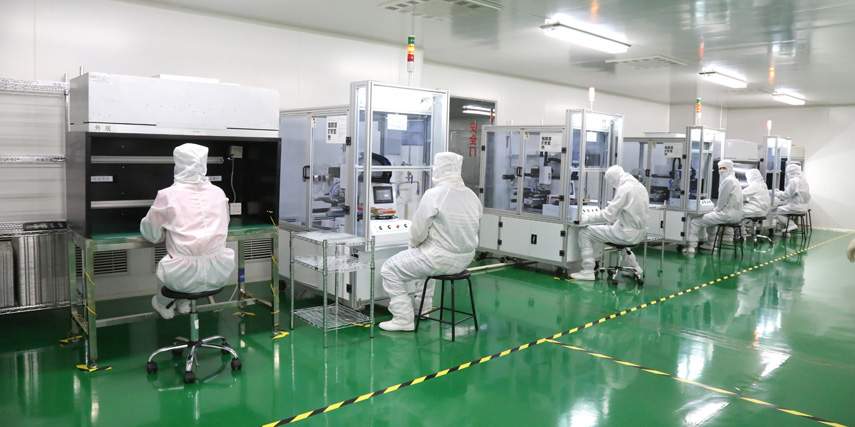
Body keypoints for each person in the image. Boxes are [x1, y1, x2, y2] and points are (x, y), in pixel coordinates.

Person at [379, 152, 482, 332]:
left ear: (438, 169)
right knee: (424, 261)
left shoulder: (435, 194)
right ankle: (423, 309)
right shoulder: (472, 196)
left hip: (439, 259)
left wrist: (415, 244)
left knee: (389, 269)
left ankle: (403, 319)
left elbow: (418, 231)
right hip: (464, 259)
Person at [141, 143, 236, 319]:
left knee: (173, 266)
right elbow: (225, 224)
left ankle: (164, 303)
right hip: (219, 272)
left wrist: (167, 232)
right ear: (204, 164)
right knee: (191, 265)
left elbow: (151, 235)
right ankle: (184, 303)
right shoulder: (218, 193)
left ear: (178, 164)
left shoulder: (168, 195)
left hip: (181, 276)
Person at [570, 165, 648, 281]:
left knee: (585, 232)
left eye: (611, 182)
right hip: (641, 233)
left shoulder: (624, 189)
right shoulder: (640, 187)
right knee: (616, 229)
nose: (612, 185)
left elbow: (608, 215)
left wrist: (587, 218)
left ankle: (587, 271)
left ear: (614, 178)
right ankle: (635, 267)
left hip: (627, 234)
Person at [683, 159, 743, 254]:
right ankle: (710, 244)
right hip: (736, 215)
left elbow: (722, 200)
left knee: (695, 221)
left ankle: (691, 247)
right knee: (711, 222)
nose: (721, 171)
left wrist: (716, 209)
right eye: (720, 168)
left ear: (730, 168)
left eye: (724, 168)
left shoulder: (728, 181)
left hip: (727, 215)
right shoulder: (735, 180)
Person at [774, 163, 811, 232]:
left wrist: (775, 193)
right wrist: (780, 192)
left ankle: (791, 225)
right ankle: (785, 231)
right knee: (782, 210)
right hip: (804, 207)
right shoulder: (803, 181)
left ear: (790, 172)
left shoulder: (793, 181)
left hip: (795, 207)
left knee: (775, 211)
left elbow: (785, 195)